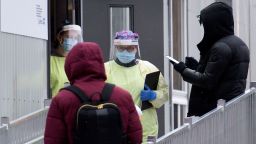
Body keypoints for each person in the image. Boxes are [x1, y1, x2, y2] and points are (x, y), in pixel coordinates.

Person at [44, 42, 142, 144]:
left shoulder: (62, 99)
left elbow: (53, 140)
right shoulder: (122, 96)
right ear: (100, 63)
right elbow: (136, 138)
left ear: (70, 65)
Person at [171, 2, 250, 117]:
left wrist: (183, 70)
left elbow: (207, 81)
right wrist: (196, 67)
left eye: (206, 25)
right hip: (229, 110)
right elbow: (222, 75)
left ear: (214, 24)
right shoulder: (238, 44)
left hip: (213, 113)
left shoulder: (221, 47)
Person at [104, 30, 168, 143]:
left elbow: (165, 94)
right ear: (115, 48)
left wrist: (154, 95)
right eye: (121, 48)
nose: (125, 51)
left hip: (145, 130)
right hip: (115, 128)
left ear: (136, 48)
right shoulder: (105, 70)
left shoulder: (149, 68)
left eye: (129, 48)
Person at [50, 24, 83, 97]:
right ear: (59, 37)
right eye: (69, 37)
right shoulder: (49, 61)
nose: (72, 41)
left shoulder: (77, 62)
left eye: (75, 38)